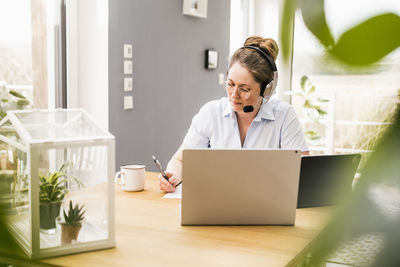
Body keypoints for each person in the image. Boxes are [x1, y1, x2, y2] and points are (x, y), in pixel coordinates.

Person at [159, 36, 309, 192]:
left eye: (244, 89)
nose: (234, 95)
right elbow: (181, 160)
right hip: (217, 200)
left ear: (266, 91)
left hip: (266, 202)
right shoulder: (211, 113)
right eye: (230, 84)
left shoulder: (284, 116)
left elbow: (302, 173)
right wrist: (173, 177)